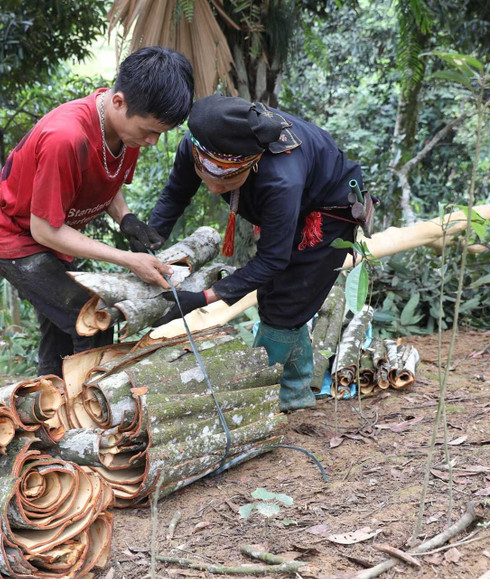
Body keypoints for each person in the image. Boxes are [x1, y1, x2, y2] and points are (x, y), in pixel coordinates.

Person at [0, 47, 194, 377]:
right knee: (91, 318)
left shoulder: (126, 132)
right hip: (12, 235)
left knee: (61, 328)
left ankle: (50, 396)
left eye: (160, 134)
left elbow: (105, 175)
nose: (152, 141)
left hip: (51, 234)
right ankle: (92, 400)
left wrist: (126, 218)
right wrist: (128, 259)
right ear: (118, 102)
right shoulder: (66, 138)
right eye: (149, 131)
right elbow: (44, 230)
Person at [149, 94, 371, 411]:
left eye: (227, 180)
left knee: (285, 304)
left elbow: (272, 260)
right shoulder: (197, 141)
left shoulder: (281, 177)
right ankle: (295, 388)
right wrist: (150, 242)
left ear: (252, 163)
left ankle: (272, 398)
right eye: (208, 175)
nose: (214, 188)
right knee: (277, 297)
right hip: (290, 200)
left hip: (326, 211)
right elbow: (176, 193)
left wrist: (204, 297)